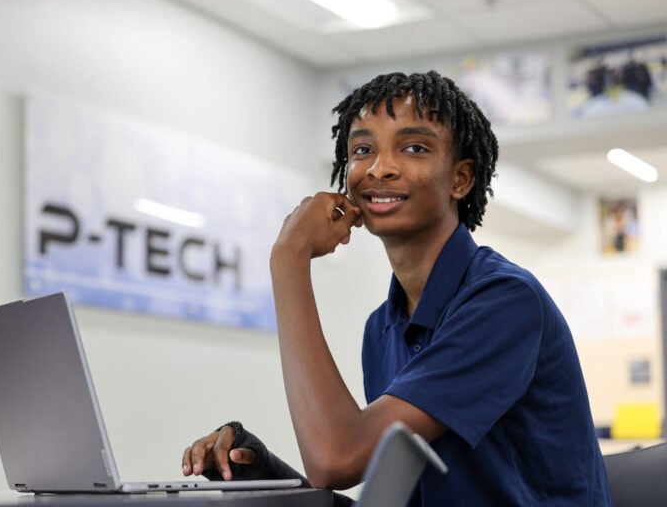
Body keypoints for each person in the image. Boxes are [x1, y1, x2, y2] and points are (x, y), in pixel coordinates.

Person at [181, 70, 612, 505]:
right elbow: (388, 496)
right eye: (362, 150)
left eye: (414, 148)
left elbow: (336, 458)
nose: (380, 168)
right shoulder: (383, 328)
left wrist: (288, 260)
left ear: (460, 180)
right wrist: (260, 471)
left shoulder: (504, 301)